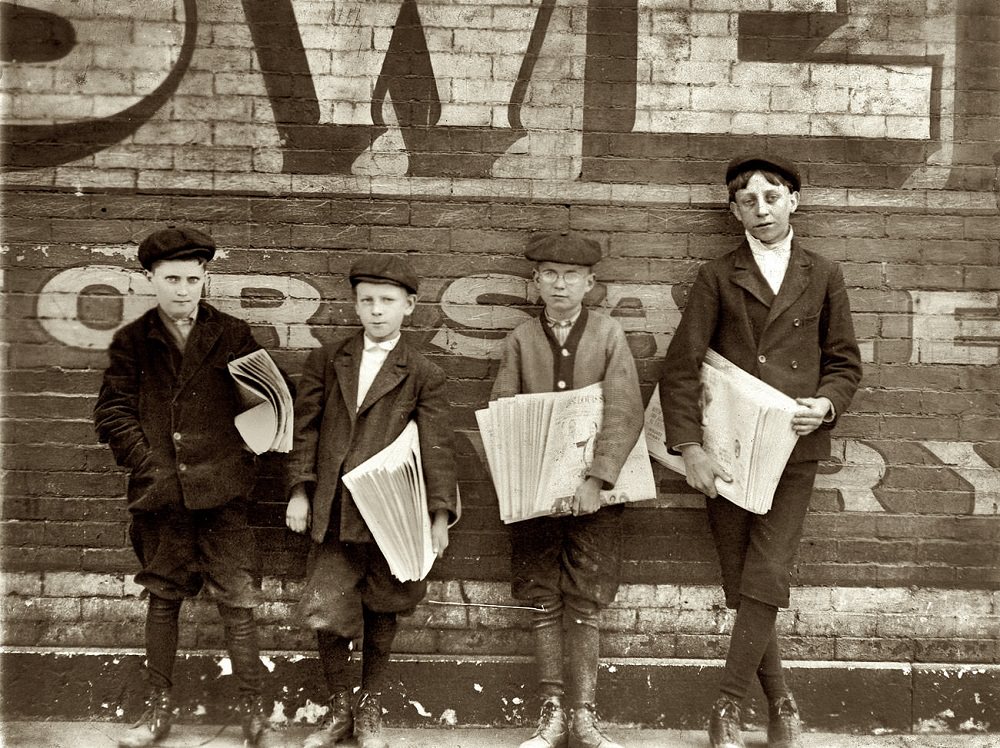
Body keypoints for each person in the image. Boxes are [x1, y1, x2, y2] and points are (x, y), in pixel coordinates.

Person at [659, 155, 862, 748]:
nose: (762, 208)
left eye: (772, 196)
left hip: (792, 450)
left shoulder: (823, 272)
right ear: (733, 211)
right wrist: (690, 447)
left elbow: (845, 361)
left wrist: (825, 405)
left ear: (794, 201)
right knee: (740, 577)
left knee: (767, 571)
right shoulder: (717, 275)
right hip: (726, 450)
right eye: (748, 200)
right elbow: (680, 366)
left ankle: (726, 706)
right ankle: (783, 706)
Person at [94, 226, 275, 748]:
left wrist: (242, 461)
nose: (182, 290)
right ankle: (157, 712)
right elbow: (111, 411)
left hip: (223, 497)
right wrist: (148, 463)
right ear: (150, 279)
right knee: (163, 599)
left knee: (238, 603)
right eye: (171, 279)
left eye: (192, 279)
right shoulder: (133, 341)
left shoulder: (234, 334)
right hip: (162, 497)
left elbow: (263, 404)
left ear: (205, 279)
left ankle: (252, 713)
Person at [285, 255, 458, 748]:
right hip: (335, 507)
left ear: (410, 306)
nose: (376, 311)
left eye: (387, 301)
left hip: (391, 511)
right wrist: (300, 492)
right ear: (355, 304)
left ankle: (370, 708)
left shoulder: (425, 372)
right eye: (367, 301)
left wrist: (438, 517)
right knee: (329, 606)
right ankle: (339, 706)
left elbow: (437, 448)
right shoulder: (328, 359)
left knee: (384, 604)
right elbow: (306, 431)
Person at [491, 232, 644, 748]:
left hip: (594, 498)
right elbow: (505, 410)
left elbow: (625, 410)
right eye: (550, 274)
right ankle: (552, 712)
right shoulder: (520, 339)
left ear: (590, 283)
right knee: (543, 600)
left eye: (571, 275)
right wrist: (522, 480)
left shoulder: (607, 334)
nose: (560, 284)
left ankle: (584, 716)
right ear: (536, 282)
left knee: (585, 600)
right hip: (536, 495)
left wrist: (597, 478)